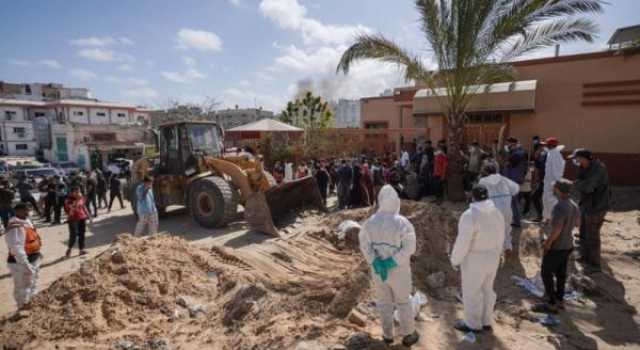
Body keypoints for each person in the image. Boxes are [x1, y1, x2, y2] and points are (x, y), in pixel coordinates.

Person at [358, 185, 419, 347]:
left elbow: (364, 244)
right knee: (403, 302)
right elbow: (410, 248)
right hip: (399, 271)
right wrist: (392, 261)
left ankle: (387, 336)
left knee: (384, 302)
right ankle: (408, 335)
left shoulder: (370, 222)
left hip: (378, 271)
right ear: (396, 201)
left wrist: (375, 261)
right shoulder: (402, 223)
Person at [451, 185, 505, 333]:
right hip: (493, 256)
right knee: (488, 289)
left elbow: (463, 242)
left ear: (472, 196)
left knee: (471, 291)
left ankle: (473, 324)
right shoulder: (497, 213)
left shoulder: (469, 215)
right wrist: (499, 254)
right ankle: (486, 320)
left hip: (475, 258)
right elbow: (502, 236)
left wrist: (455, 259)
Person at [533, 179, 579, 314]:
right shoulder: (573, 205)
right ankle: (560, 300)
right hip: (568, 244)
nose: (553, 190)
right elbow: (578, 224)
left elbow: (557, 229)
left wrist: (548, 243)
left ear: (559, 190)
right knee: (561, 273)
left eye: (555, 188)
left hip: (557, 246)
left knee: (546, 272)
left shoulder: (559, 206)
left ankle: (551, 303)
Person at [571, 149, 610, 273]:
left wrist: (577, 184)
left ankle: (595, 265)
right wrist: (577, 183)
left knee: (592, 236)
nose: (575, 161)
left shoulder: (599, 169)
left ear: (584, 158)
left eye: (577, 158)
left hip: (597, 206)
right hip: (586, 204)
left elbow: (588, 187)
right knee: (583, 232)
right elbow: (581, 182)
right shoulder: (584, 167)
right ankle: (585, 257)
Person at [5, 203, 42, 309]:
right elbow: (16, 247)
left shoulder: (26, 221)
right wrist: (25, 264)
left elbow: (33, 238)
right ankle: (22, 308)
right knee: (22, 288)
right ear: (17, 211)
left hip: (33, 258)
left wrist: (38, 253)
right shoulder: (15, 226)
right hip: (20, 263)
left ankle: (33, 306)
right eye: (24, 210)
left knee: (33, 284)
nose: (27, 213)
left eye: (28, 210)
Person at [478, 164, 520, 253]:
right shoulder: (503, 179)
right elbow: (516, 188)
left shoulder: (482, 181)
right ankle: (508, 247)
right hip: (506, 210)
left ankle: (495, 250)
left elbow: (479, 196)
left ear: (485, 172)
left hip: (492, 210)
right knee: (506, 228)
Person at [504, 138, 527, 227]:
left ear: (512, 144)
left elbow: (508, 163)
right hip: (513, 178)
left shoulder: (517, 153)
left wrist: (507, 153)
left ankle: (517, 221)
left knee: (513, 201)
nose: (507, 146)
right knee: (513, 201)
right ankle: (515, 219)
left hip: (513, 179)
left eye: (508, 144)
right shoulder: (517, 152)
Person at [542, 138, 566, 223]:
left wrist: (556, 184)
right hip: (548, 182)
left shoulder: (555, 155)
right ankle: (547, 218)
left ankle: (554, 219)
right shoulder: (551, 153)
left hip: (552, 182)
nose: (545, 146)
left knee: (552, 201)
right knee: (546, 200)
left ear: (550, 145)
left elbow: (557, 170)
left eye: (546, 144)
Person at [64, 187, 90, 257]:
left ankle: (81, 250)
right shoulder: (68, 200)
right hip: (73, 220)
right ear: (72, 193)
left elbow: (84, 206)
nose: (78, 193)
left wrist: (88, 216)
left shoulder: (81, 198)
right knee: (74, 235)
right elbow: (71, 212)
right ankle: (69, 249)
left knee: (82, 234)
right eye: (76, 192)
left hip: (82, 218)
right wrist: (76, 202)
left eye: (79, 192)